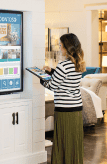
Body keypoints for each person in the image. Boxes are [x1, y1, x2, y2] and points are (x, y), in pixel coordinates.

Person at [41, 33, 86, 164]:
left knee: (62, 140)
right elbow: (68, 79)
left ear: (67, 47)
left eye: (61, 46)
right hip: (76, 107)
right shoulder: (79, 63)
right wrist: (52, 71)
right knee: (73, 140)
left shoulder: (63, 65)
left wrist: (41, 78)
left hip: (64, 109)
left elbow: (52, 86)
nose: (60, 48)